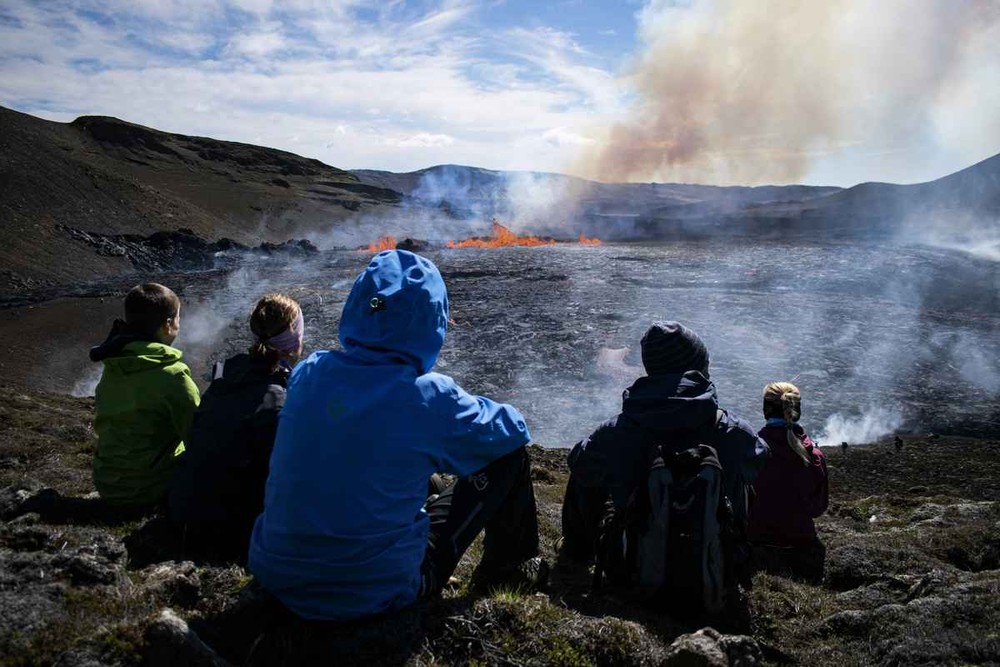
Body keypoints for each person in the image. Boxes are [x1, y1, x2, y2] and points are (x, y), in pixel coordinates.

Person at [248, 250, 545, 623]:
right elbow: (512, 432)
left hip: (276, 575)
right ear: (433, 319)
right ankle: (509, 573)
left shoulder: (311, 372)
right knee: (509, 458)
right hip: (374, 593)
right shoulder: (428, 396)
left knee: (424, 476)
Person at [560, 322, 770, 580]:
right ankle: (739, 556)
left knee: (588, 463)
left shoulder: (619, 431)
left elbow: (579, 462)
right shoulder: (730, 430)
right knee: (742, 473)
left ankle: (576, 553)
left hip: (635, 566)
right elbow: (760, 459)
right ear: (699, 368)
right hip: (715, 571)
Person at [169, 293, 304, 563]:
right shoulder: (279, 400)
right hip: (232, 529)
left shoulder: (227, 376)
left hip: (183, 509)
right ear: (295, 338)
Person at [87, 282, 201, 513]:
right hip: (150, 489)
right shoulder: (174, 376)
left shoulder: (114, 366)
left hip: (107, 484)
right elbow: (198, 437)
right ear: (168, 325)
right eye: (178, 318)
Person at [747, 382, 828, 583]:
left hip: (756, 540)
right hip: (800, 541)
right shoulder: (813, 456)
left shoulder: (749, 450)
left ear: (766, 410)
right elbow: (818, 507)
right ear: (796, 411)